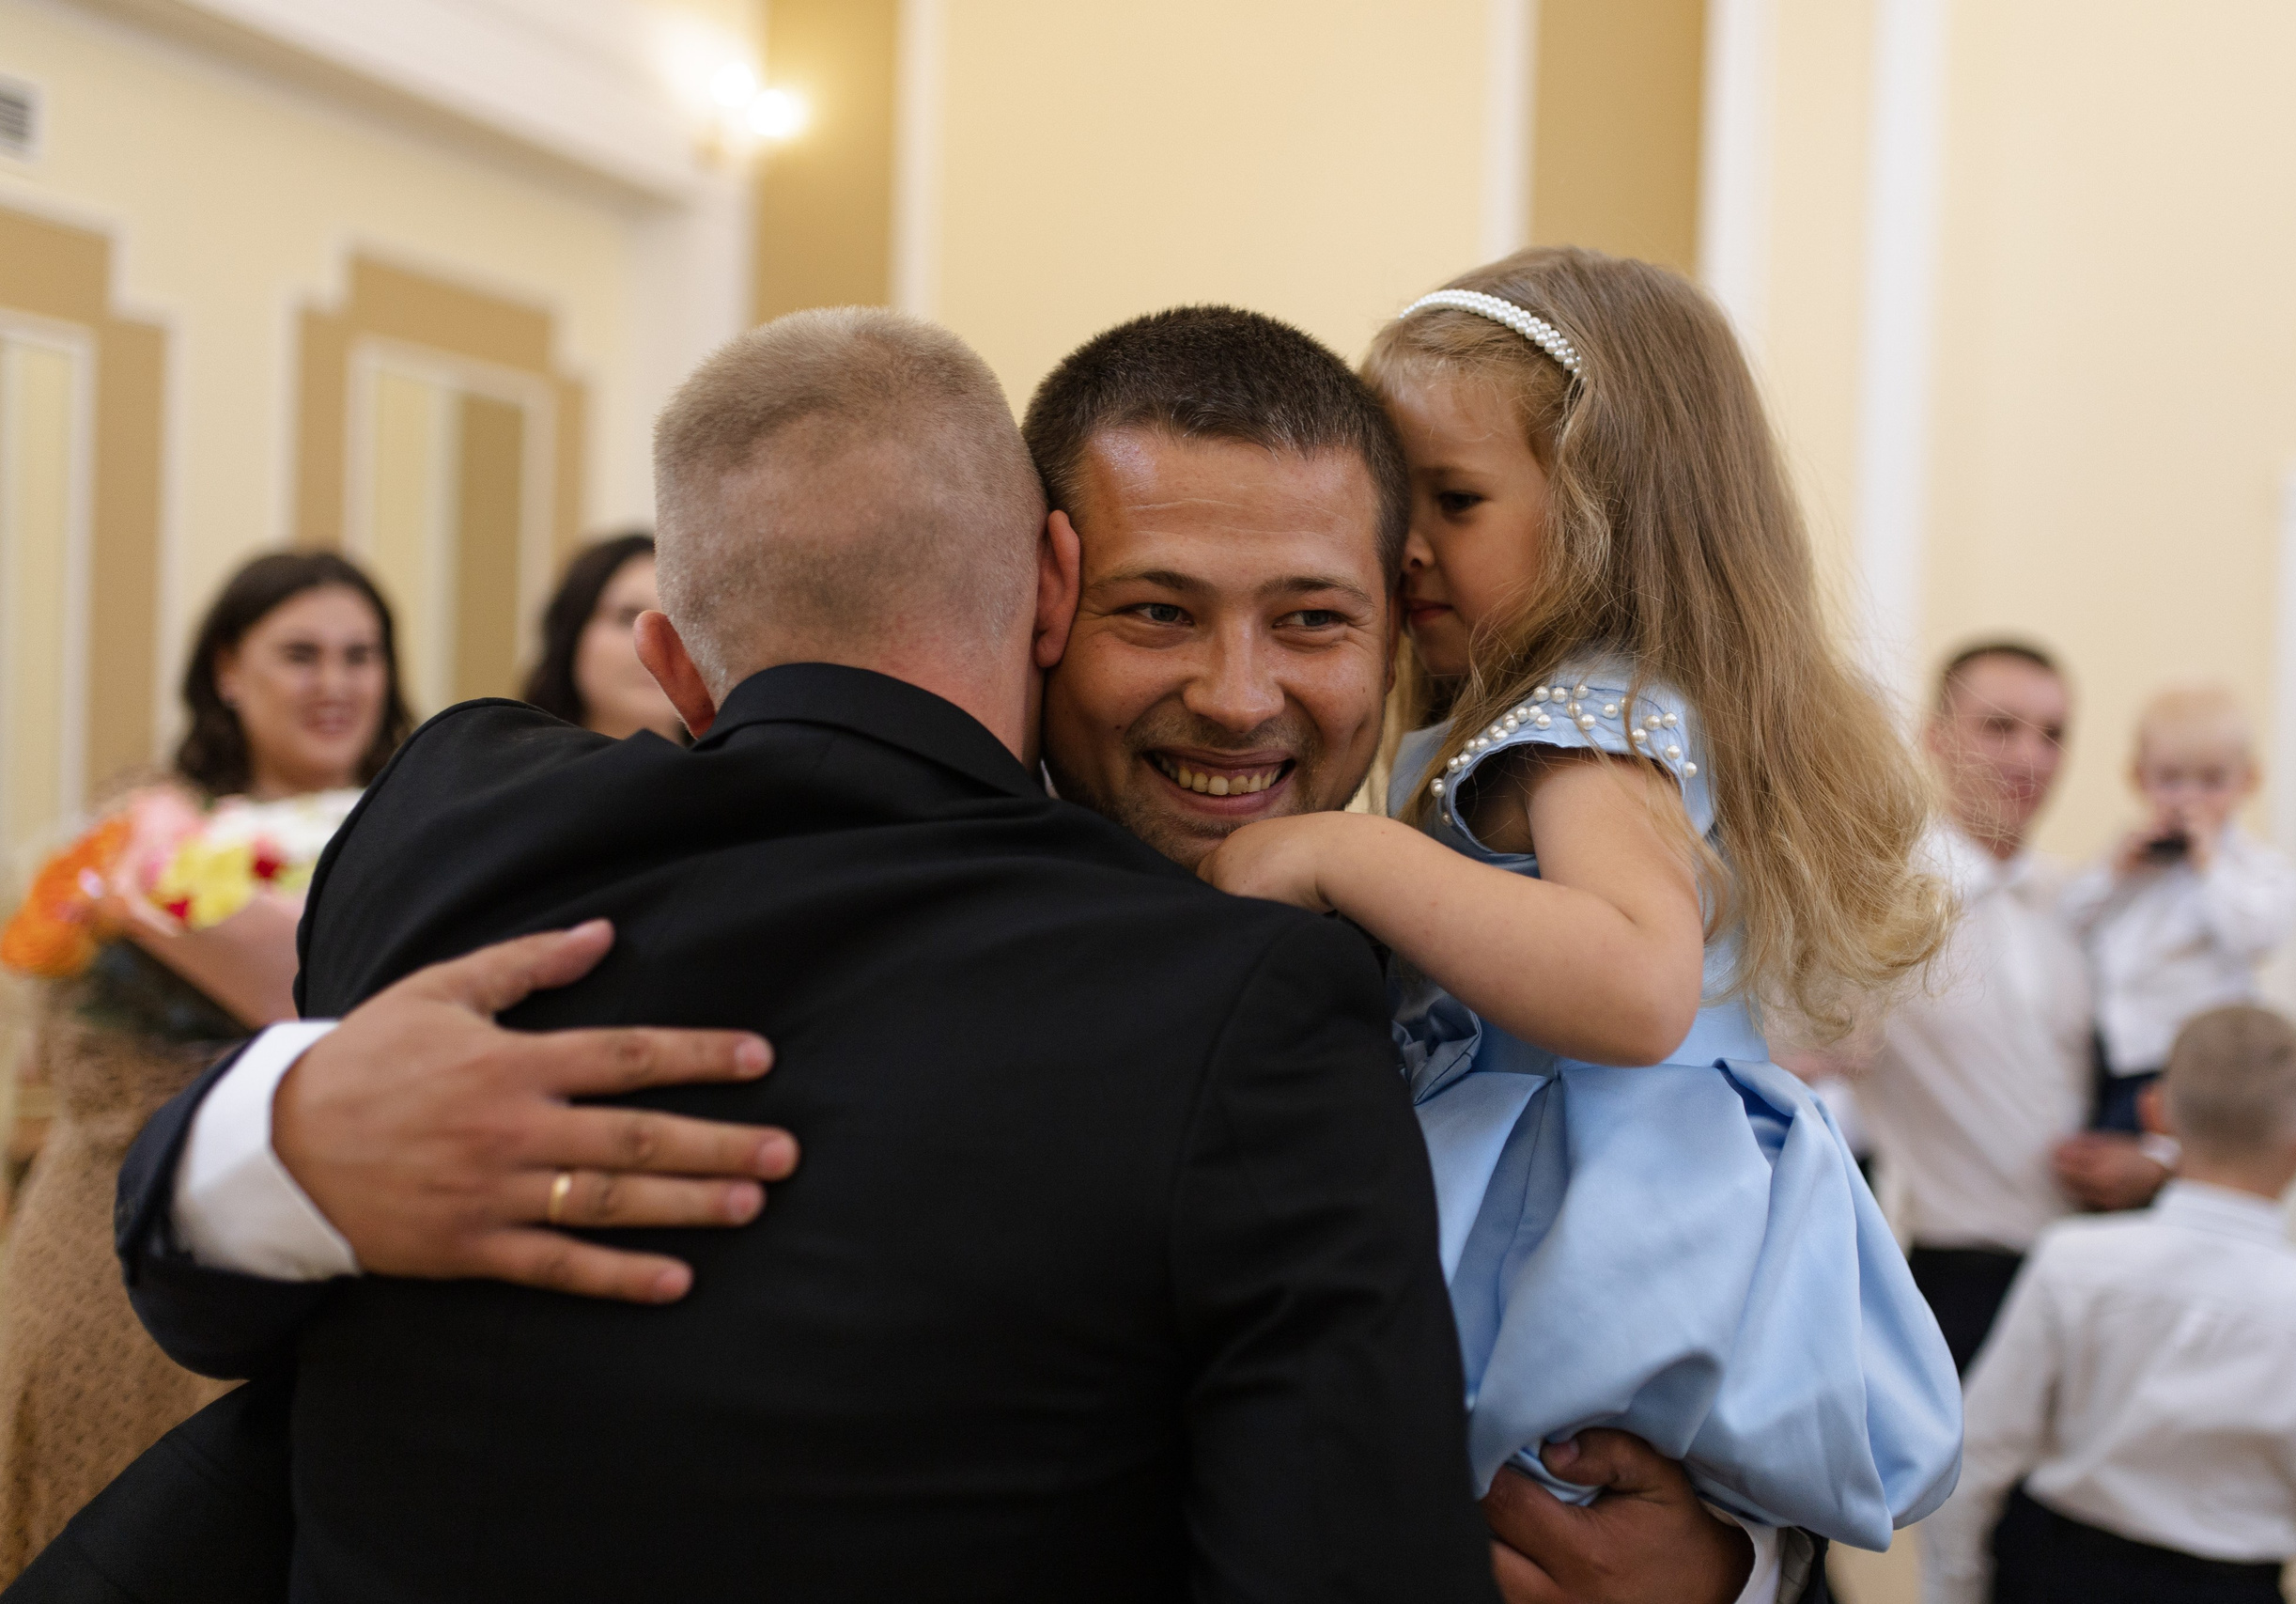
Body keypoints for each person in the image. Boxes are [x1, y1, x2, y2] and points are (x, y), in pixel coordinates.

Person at [83, 308, 1822, 1604]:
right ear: (1046, 589)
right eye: (1159, 610)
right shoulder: (1229, 1006)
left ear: (1406, 636)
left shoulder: (1502, 939)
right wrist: (282, 1129)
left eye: (1314, 619)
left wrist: (1733, 1571)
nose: (1237, 695)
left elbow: (1756, 1311)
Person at [1186, 252, 1961, 1552]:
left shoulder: (1582, 727)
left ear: (1611, 514)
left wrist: (1343, 854)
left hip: (1602, 1198)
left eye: (1459, 498)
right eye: (1399, 498)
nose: (1410, 545)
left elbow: (1631, 981)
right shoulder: (1572, 711)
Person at [0, 551, 408, 1581]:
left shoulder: (411, 824)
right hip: (109, 1244)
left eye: (360, 656)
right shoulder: (147, 821)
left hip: (311, 1254)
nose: (336, 683)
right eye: (300, 654)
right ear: (228, 669)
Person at [1919, 1006, 2296, 1604]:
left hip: (2052, 1577)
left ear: (2154, 1113)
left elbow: (1976, 1458)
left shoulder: (2073, 1263)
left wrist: (1959, 1590)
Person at [1847, 643, 2095, 1376]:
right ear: (1936, 737)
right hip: (1945, 1275)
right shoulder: (1880, 903)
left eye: (2053, 733)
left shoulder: (2077, 905)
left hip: (2075, 1268)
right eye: (2000, 727)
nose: (2031, 757)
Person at [2060, 684, 2296, 1134]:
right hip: (2119, 1059)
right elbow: (2070, 919)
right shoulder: (2134, 861)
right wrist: (2116, 871)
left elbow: (2254, 937)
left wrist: (2211, 863)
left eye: (2211, 781)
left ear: (2248, 781)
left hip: (2203, 1068)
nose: (2188, 798)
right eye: (2170, 779)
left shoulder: (2255, 868)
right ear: (2138, 777)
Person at [520, 531, 687, 740]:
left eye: (681, 623)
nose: (659, 644)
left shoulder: (735, 773)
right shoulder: (503, 768)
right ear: (572, 631)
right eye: (627, 618)